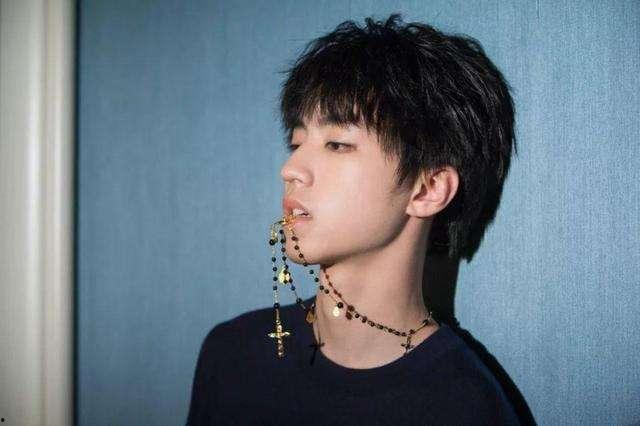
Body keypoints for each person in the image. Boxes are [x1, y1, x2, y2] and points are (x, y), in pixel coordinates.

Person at [187, 13, 521, 425]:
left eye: (337, 144)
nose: (291, 169)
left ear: (428, 189)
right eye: (297, 142)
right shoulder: (232, 356)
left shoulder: (465, 408)